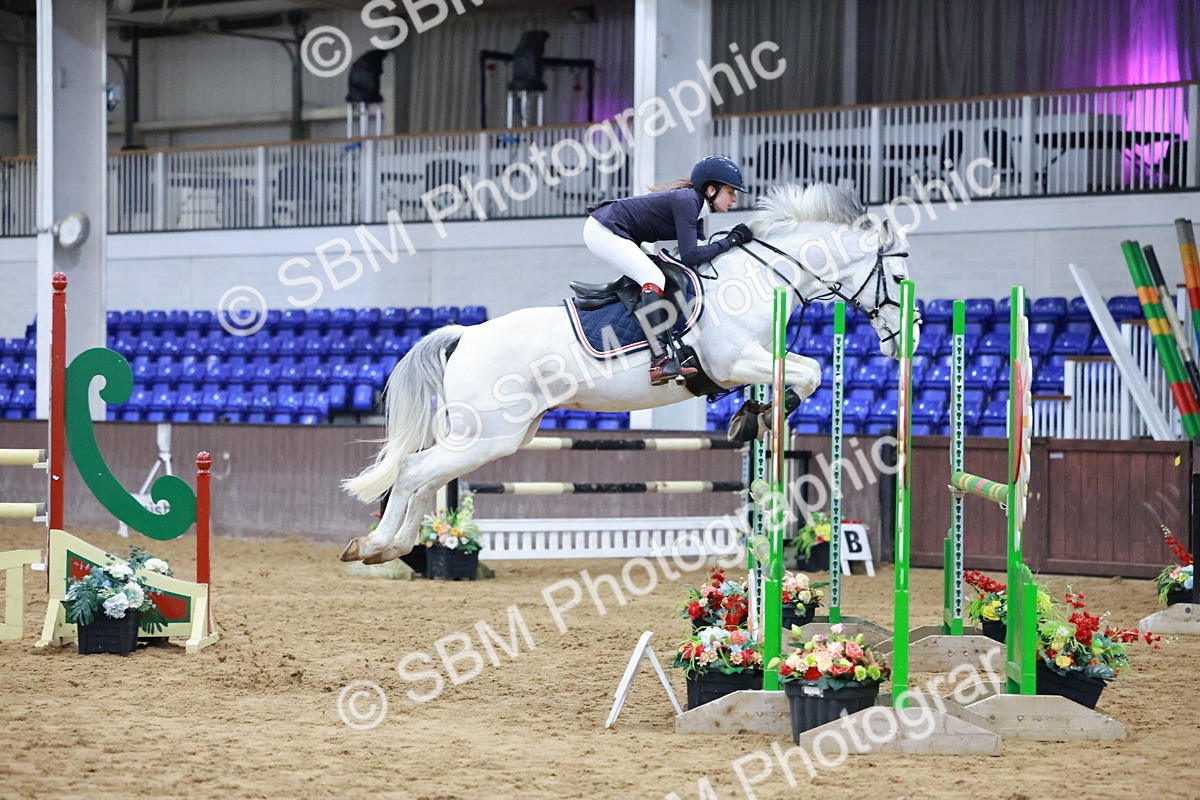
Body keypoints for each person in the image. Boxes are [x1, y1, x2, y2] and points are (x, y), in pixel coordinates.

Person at [584, 155, 754, 385]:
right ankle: (659, 360)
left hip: (617, 231)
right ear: (712, 190)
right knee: (653, 277)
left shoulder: (696, 208)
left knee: (659, 274)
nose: (735, 199)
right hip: (604, 230)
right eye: (731, 192)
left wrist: (733, 246)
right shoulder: (688, 202)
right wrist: (732, 241)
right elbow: (691, 256)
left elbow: (700, 256)